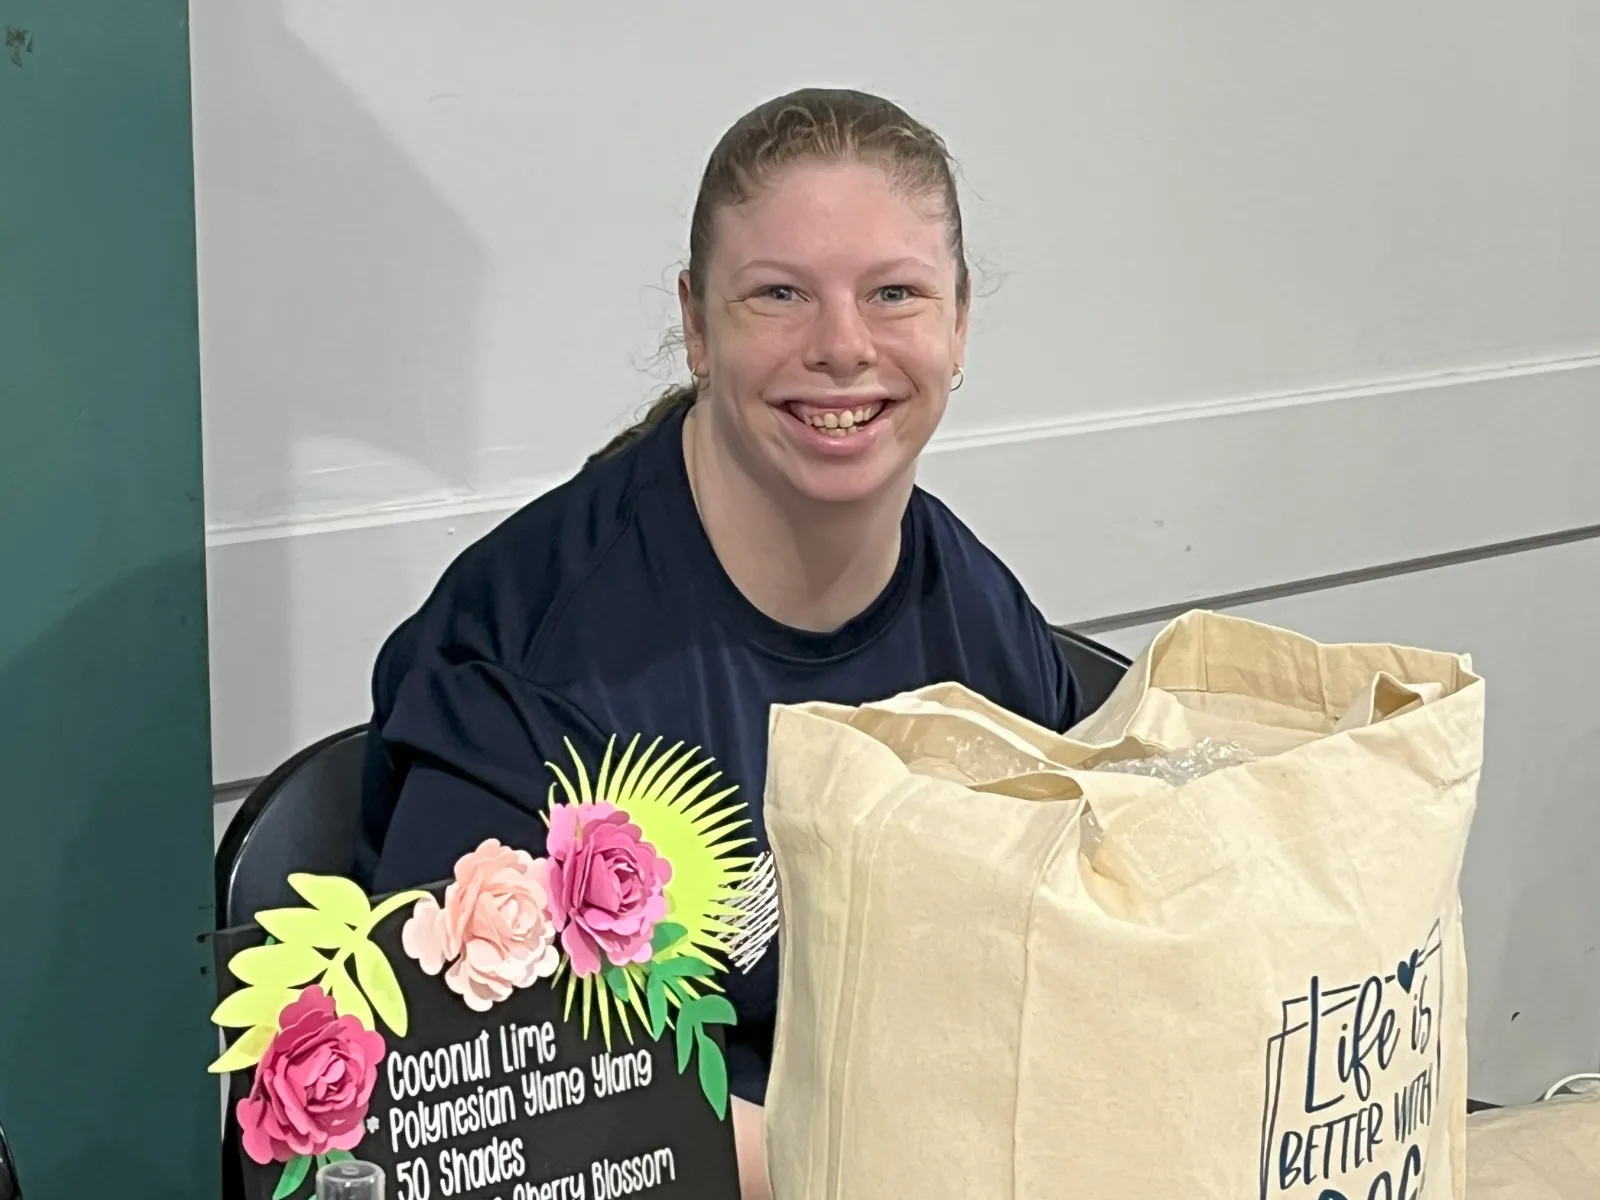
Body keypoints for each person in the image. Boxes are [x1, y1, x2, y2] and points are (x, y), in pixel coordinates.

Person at [358, 87, 1083, 1198]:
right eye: (779, 295)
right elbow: (483, 1111)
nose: (842, 348)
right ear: (697, 323)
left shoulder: (983, 623)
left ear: (959, 324)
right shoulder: (527, 651)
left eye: (895, 294)